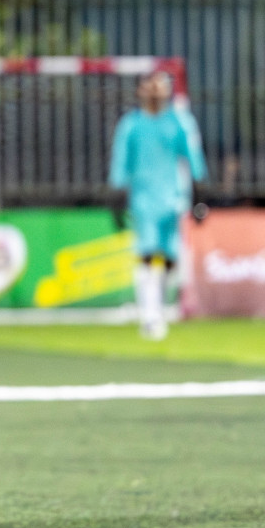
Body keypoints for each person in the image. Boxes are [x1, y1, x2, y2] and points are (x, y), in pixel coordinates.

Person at [108, 72, 207, 340]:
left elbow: (192, 160)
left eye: (160, 86)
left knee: (170, 259)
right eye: (150, 86)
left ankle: (159, 309)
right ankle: (149, 315)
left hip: (173, 199)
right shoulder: (131, 125)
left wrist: (199, 198)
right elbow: (121, 164)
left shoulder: (178, 122)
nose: (155, 91)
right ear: (141, 90)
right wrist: (117, 200)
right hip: (143, 199)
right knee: (148, 254)